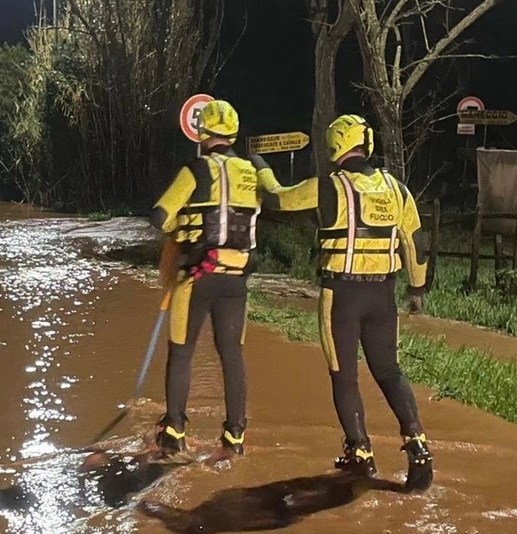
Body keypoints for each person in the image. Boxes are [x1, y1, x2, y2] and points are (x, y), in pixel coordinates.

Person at [258, 114, 432, 489]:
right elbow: (416, 240)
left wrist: (260, 168)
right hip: (383, 296)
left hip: (342, 296)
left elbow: (278, 199)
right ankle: (417, 444)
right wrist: (416, 289)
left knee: (345, 376)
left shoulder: (327, 188)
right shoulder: (397, 189)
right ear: (367, 144)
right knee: (389, 372)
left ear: (335, 147)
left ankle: (360, 451)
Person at [148, 99, 300, 461]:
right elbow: (276, 197)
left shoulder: (195, 169)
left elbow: (159, 215)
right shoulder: (252, 170)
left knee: (181, 353)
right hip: (236, 280)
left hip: (196, 278)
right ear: (232, 133)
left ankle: (174, 433)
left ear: (202, 134)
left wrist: (179, 232)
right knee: (232, 354)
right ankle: (234, 437)